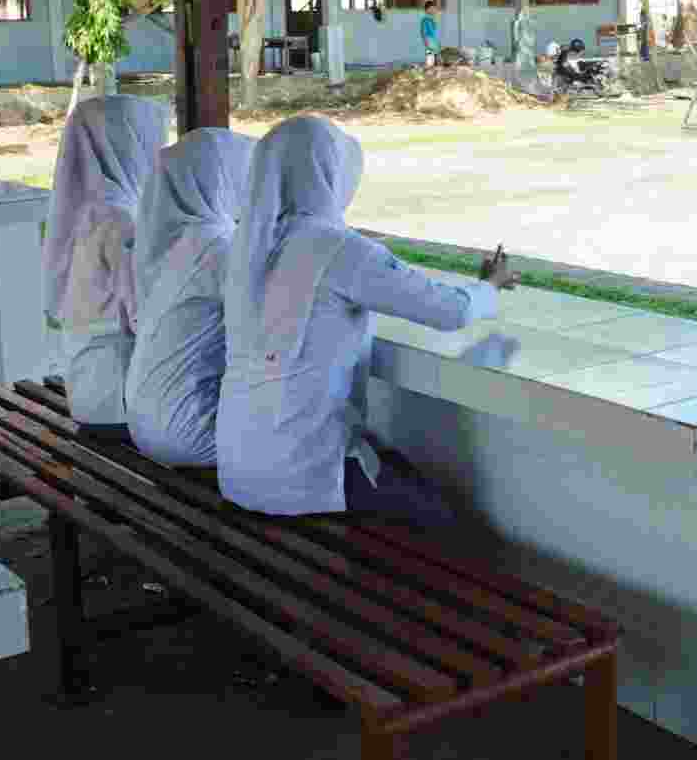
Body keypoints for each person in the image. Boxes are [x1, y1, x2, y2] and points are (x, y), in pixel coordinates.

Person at [216, 115, 519, 526]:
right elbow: (450, 311)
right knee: (447, 526)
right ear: (328, 173)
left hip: (237, 470)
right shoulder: (338, 250)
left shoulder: (247, 251)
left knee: (393, 466)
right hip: (299, 475)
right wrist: (490, 287)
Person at [125, 128, 254, 467]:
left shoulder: (171, 241)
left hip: (142, 426)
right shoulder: (219, 246)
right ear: (224, 180)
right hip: (190, 432)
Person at [43, 95, 168, 436]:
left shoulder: (87, 206)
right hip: (116, 401)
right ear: (131, 145)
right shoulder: (120, 218)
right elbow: (145, 315)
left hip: (87, 391)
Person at [420, 0, 441, 67]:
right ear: (427, 10)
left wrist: (438, 43)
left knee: (436, 62)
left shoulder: (432, 19)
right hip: (429, 43)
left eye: (434, 8)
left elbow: (435, 33)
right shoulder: (425, 20)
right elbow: (423, 32)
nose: (433, 10)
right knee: (430, 61)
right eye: (431, 8)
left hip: (435, 43)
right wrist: (426, 43)